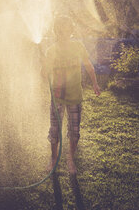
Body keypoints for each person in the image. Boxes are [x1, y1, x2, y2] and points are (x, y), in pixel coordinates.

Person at [45, 16, 100, 174]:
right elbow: (44, 73)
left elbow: (89, 66)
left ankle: (70, 160)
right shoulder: (52, 50)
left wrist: (95, 83)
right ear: (57, 30)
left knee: (74, 131)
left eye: (67, 28)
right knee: (55, 131)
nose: (64, 31)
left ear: (71, 30)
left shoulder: (78, 46)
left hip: (75, 96)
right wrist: (45, 65)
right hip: (57, 96)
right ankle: (54, 159)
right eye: (60, 28)